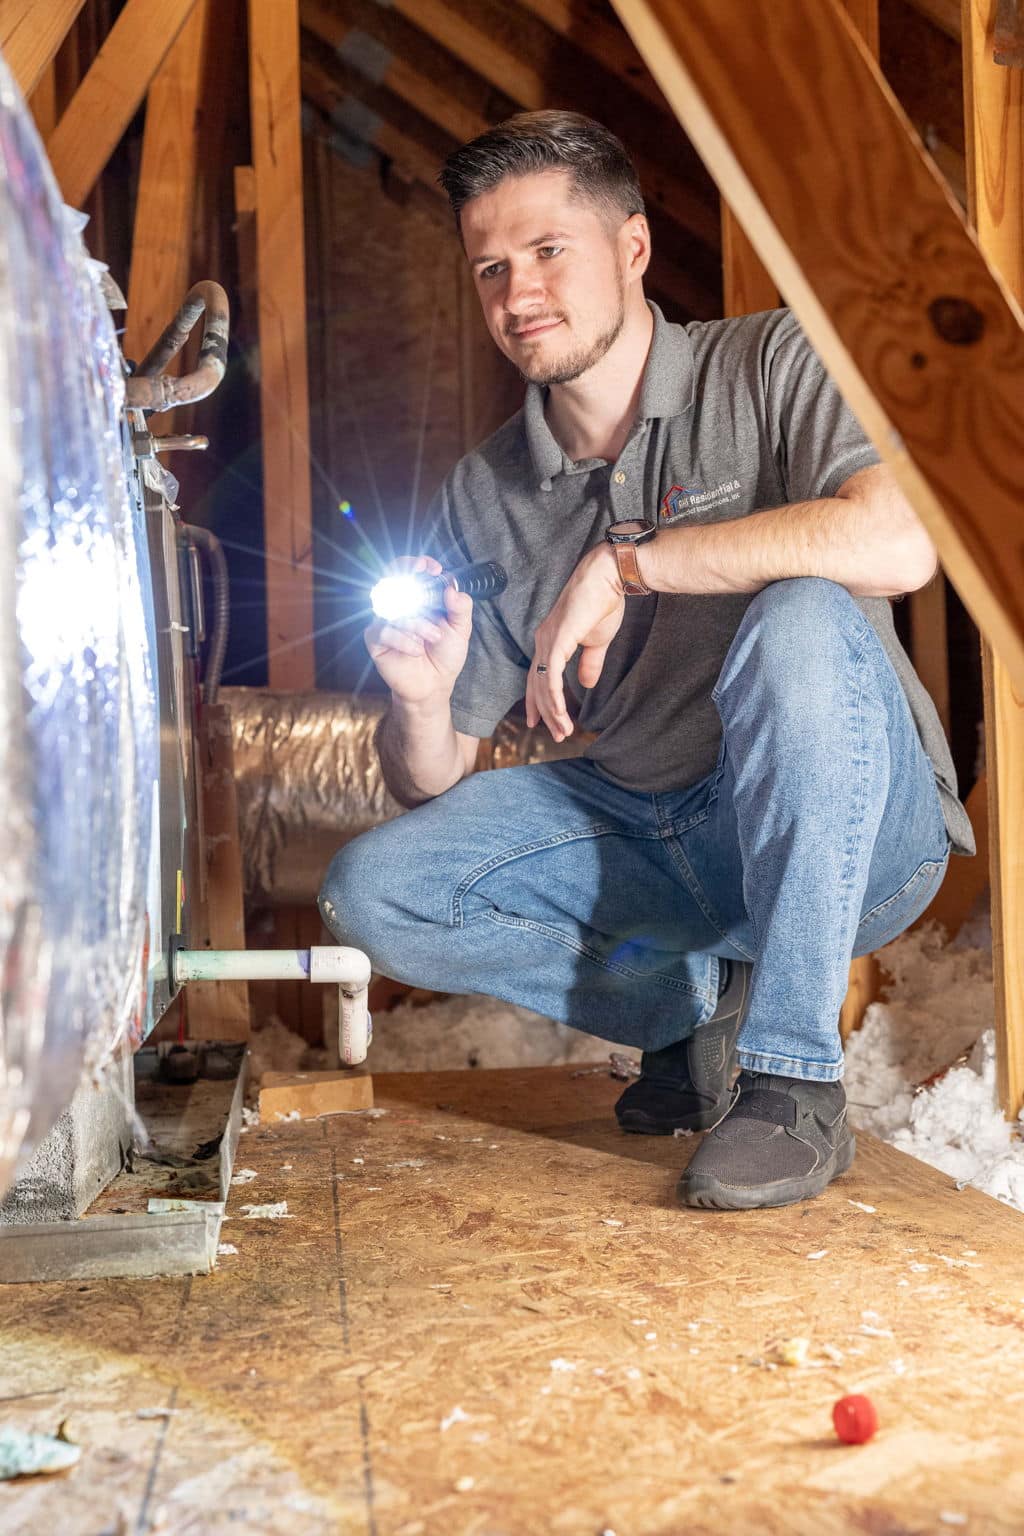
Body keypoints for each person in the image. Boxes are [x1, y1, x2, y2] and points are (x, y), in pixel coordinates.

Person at [319, 110, 974, 1210]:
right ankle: (688, 1005)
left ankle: (793, 1085)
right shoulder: (487, 491)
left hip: (855, 838)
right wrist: (423, 701)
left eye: (545, 252)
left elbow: (899, 541)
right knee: (376, 887)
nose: (516, 293)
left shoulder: (769, 361)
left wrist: (631, 565)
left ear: (630, 248)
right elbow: (429, 779)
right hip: (649, 836)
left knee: (805, 615)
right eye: (490, 267)